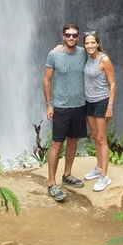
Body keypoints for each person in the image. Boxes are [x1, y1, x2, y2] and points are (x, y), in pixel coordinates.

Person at [43, 22, 89, 200]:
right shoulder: (54, 54)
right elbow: (47, 80)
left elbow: (97, 54)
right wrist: (49, 104)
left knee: (73, 141)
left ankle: (67, 174)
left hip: (79, 105)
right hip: (61, 106)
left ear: (78, 37)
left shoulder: (83, 53)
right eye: (68, 35)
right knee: (57, 143)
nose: (71, 38)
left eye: (74, 35)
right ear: (63, 36)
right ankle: (52, 183)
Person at [80, 31, 117, 192]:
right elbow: (70, 50)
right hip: (89, 101)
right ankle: (98, 167)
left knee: (102, 138)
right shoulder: (87, 57)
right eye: (87, 43)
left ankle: (105, 176)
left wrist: (110, 106)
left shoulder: (104, 60)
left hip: (101, 102)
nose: (89, 46)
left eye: (92, 43)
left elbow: (113, 84)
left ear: (97, 43)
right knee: (95, 135)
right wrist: (59, 47)